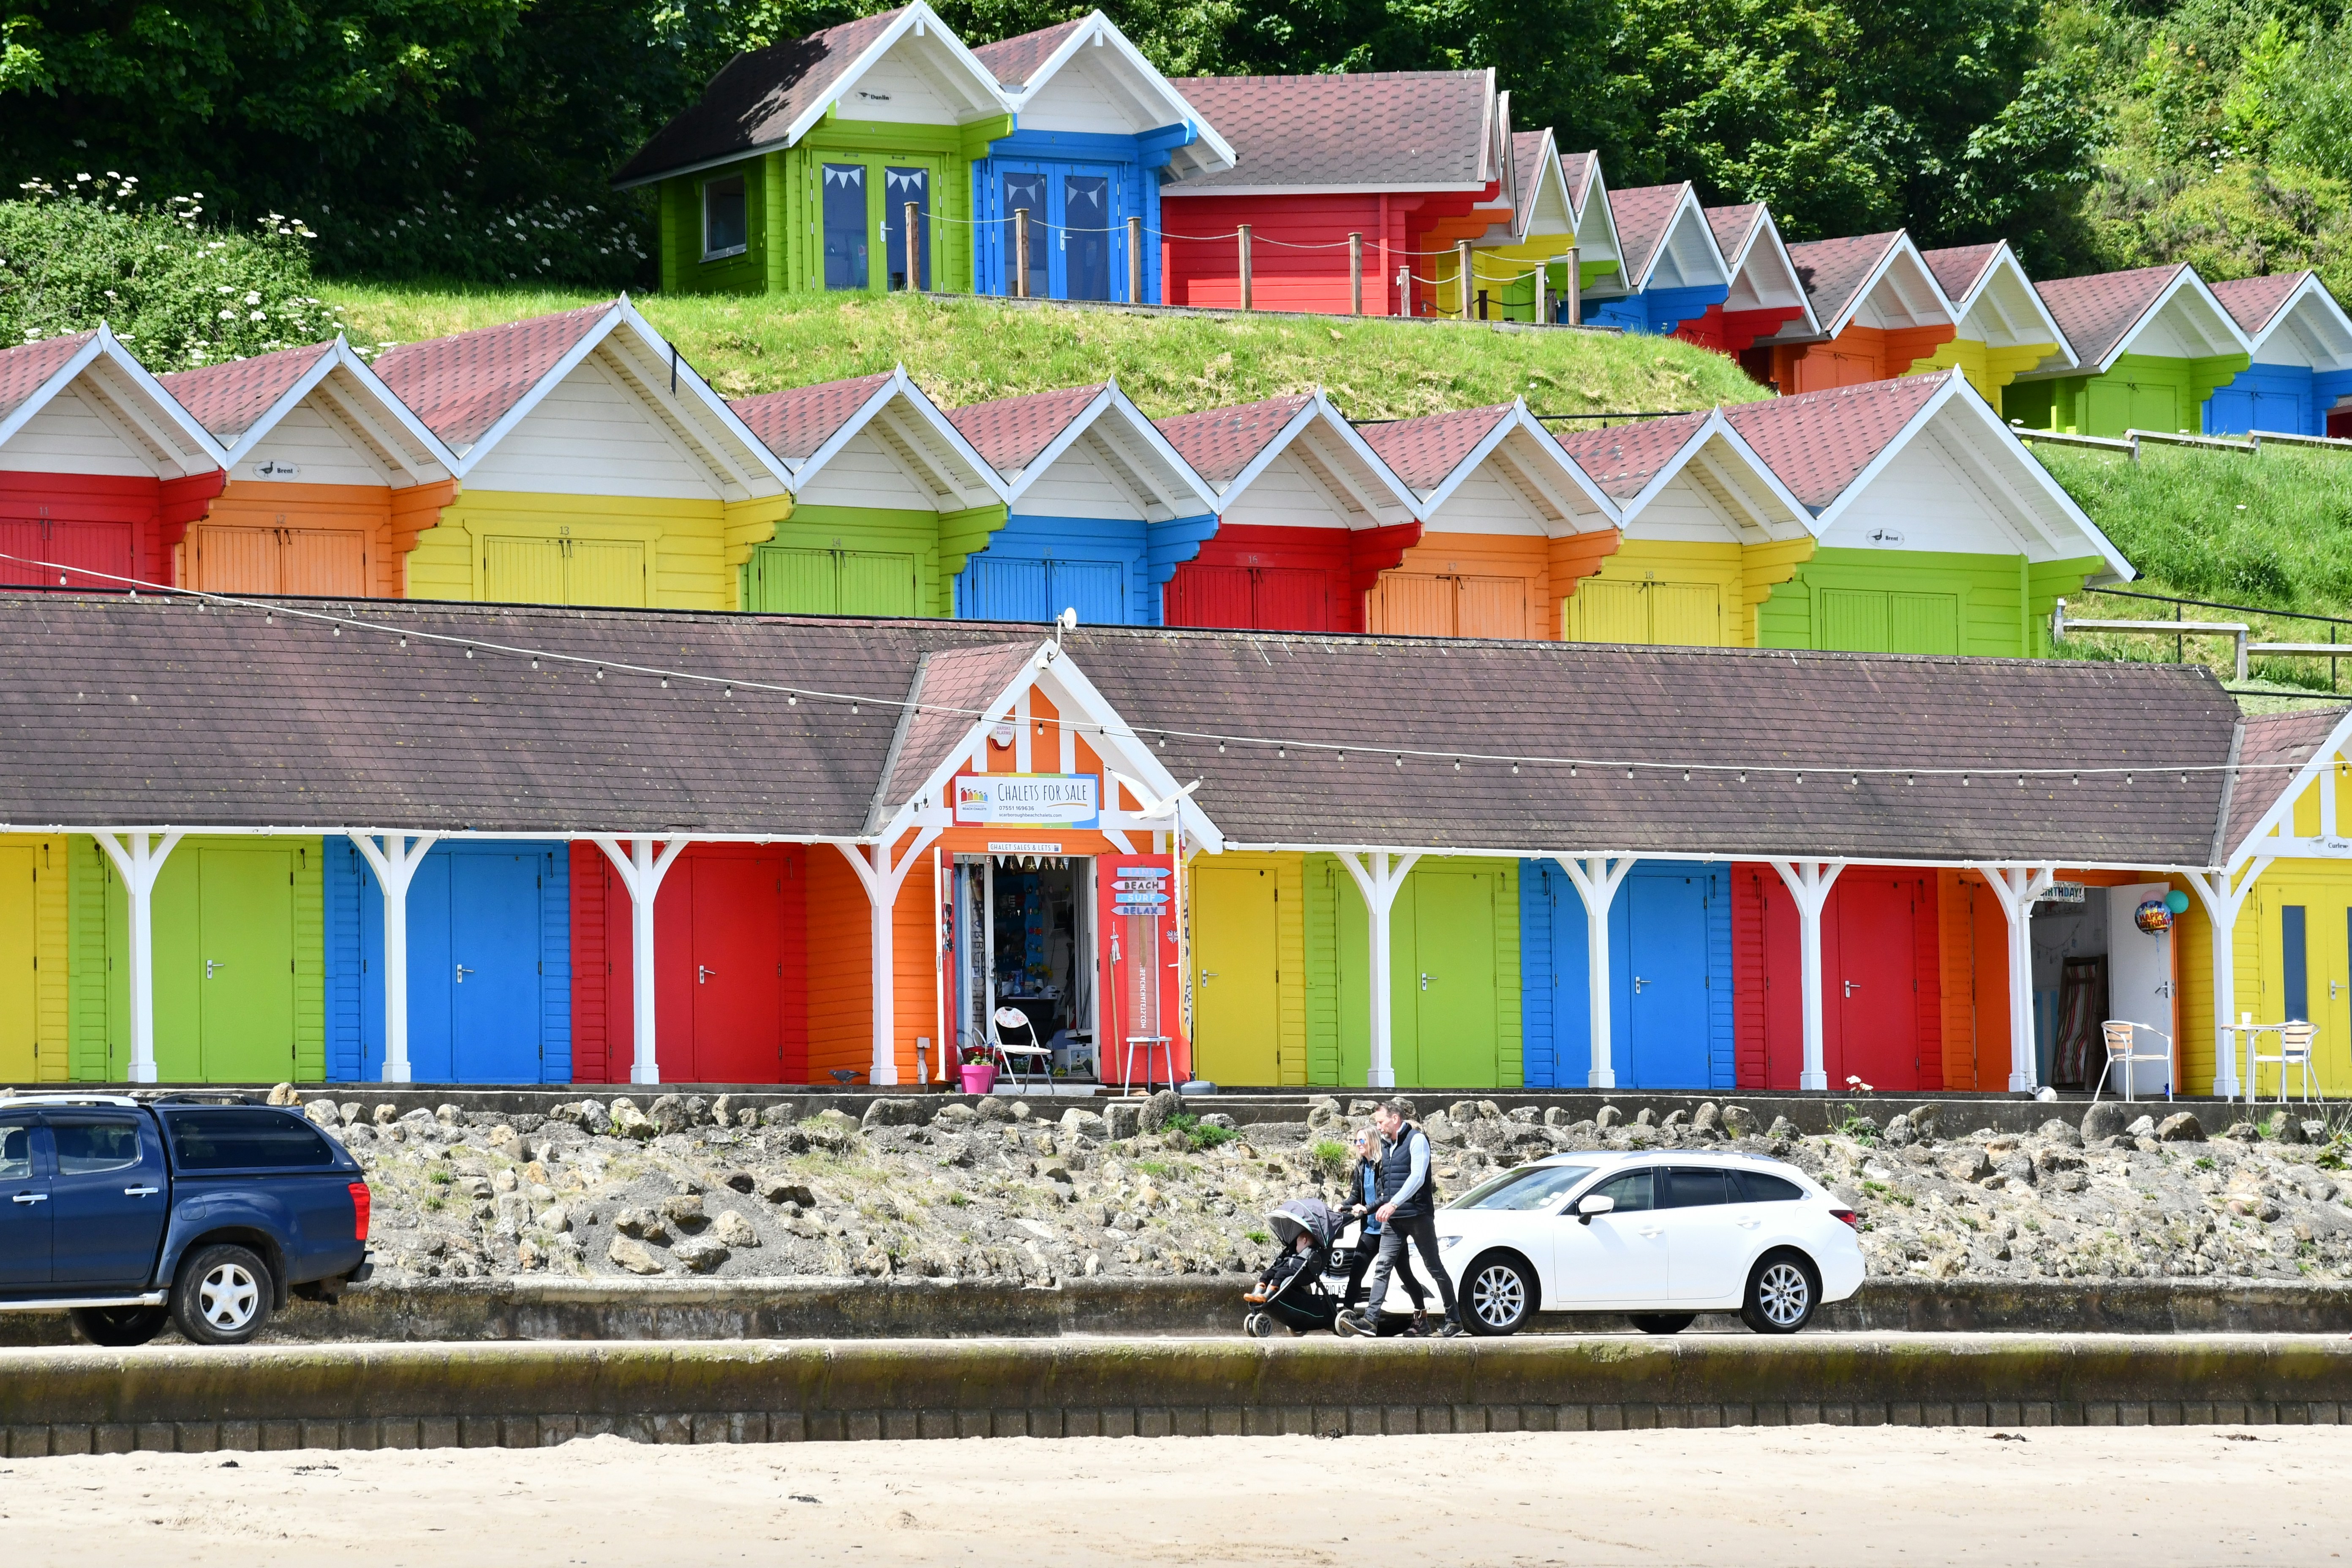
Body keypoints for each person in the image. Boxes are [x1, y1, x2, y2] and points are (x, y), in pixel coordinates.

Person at [1335, 1102, 1462, 1339]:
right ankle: (1370, 1321)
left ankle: (1454, 1320)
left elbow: (1416, 1178)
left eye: (1381, 1122)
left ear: (1395, 1119)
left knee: (1434, 1267)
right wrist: (1377, 1206)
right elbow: (1387, 1189)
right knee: (1383, 1267)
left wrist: (1393, 1204)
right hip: (1395, 1220)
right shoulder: (1386, 1147)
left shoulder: (1417, 1141)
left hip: (1418, 1216)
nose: (1379, 1127)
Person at [1338, 1127, 1430, 1329]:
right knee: (1356, 1272)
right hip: (1370, 1230)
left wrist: (1367, 1208)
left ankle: (1421, 1313)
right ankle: (1347, 1316)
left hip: (1390, 1228)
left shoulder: (1383, 1165)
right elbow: (1356, 1196)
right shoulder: (1361, 1167)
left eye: (1361, 1140)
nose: (1358, 1144)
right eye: (1356, 1141)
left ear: (1372, 1141)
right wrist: (1344, 1205)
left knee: (1405, 1274)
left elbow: (1386, 1196)